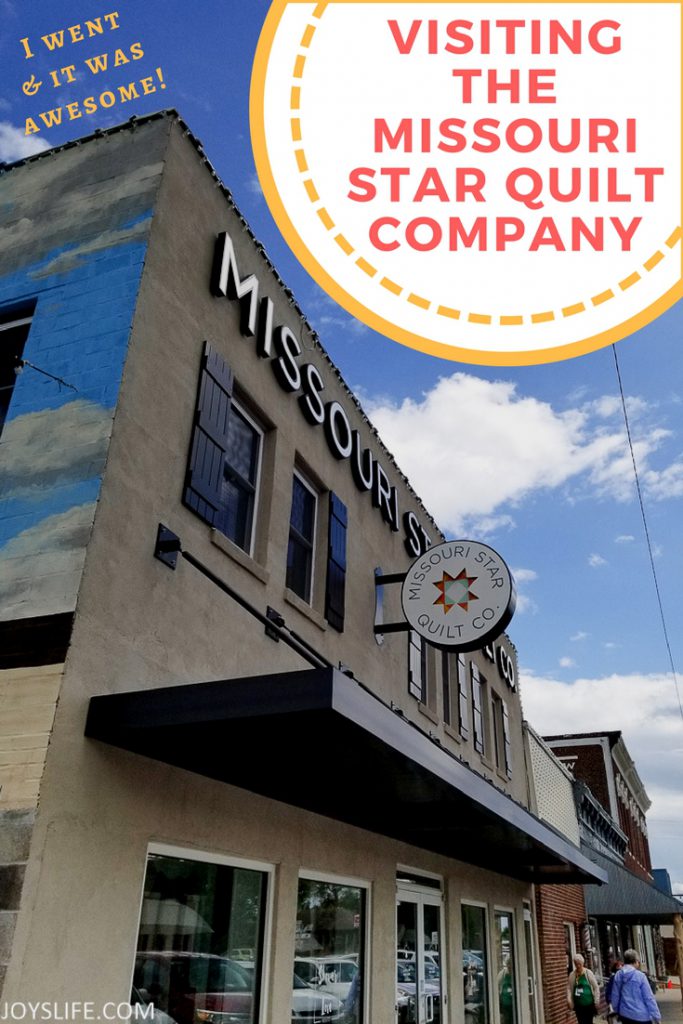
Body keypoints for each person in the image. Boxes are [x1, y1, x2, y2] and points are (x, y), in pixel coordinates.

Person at [610, 950, 661, 1024]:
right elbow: (649, 997)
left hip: (625, 1014)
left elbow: (615, 995)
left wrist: (617, 1010)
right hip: (641, 1015)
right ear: (636, 961)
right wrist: (656, 1016)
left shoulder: (618, 975)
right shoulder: (640, 976)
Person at [567, 954, 601, 1024]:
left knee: (588, 1022)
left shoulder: (588, 973)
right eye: (576, 964)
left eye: (579, 964)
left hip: (589, 1004)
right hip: (578, 1005)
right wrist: (569, 999)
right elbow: (569, 988)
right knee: (581, 1022)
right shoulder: (572, 975)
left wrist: (596, 1000)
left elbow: (596, 987)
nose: (578, 966)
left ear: (583, 963)